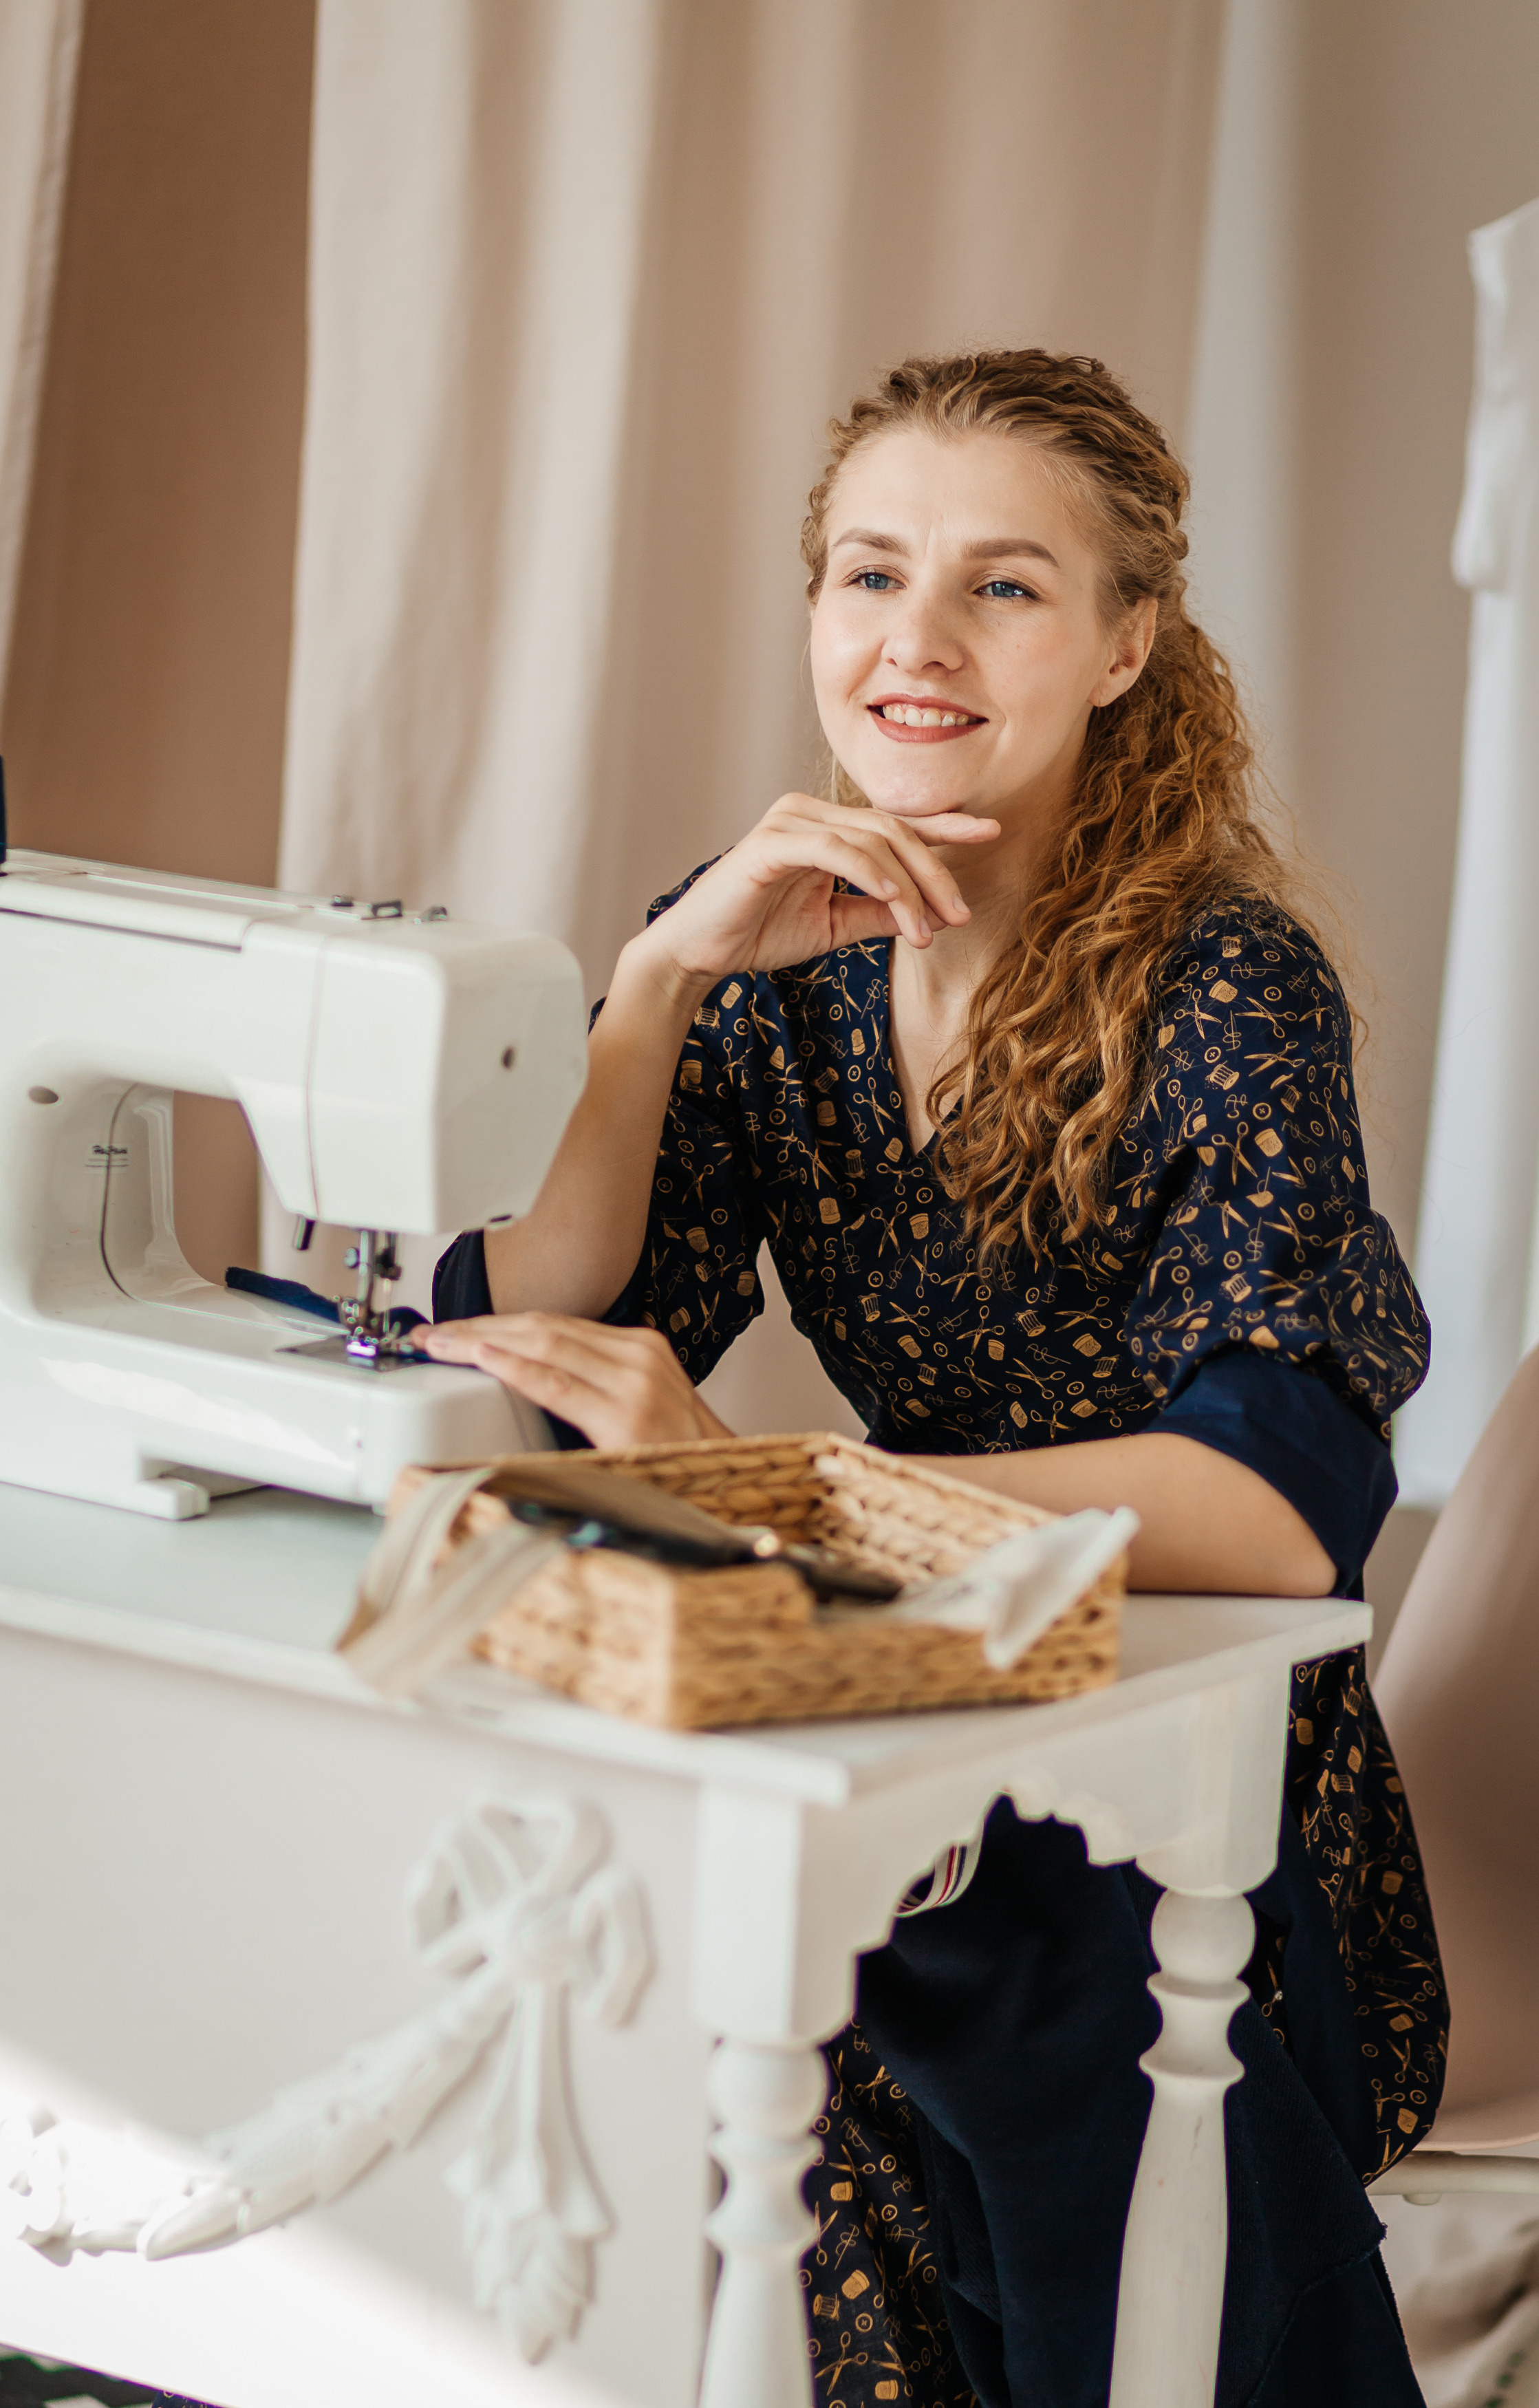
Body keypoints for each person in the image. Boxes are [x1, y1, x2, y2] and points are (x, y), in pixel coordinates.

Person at [426, 350, 1445, 2407]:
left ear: (1123, 641)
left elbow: (1272, 1505)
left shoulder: (1223, 985)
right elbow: (540, 1324)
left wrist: (782, 1486)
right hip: (910, 1707)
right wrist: (657, 982)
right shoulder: (772, 966)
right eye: (871, 572)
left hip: (1183, 1804)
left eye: (1003, 587)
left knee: (844, 2014)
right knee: (607, 1947)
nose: (916, 638)